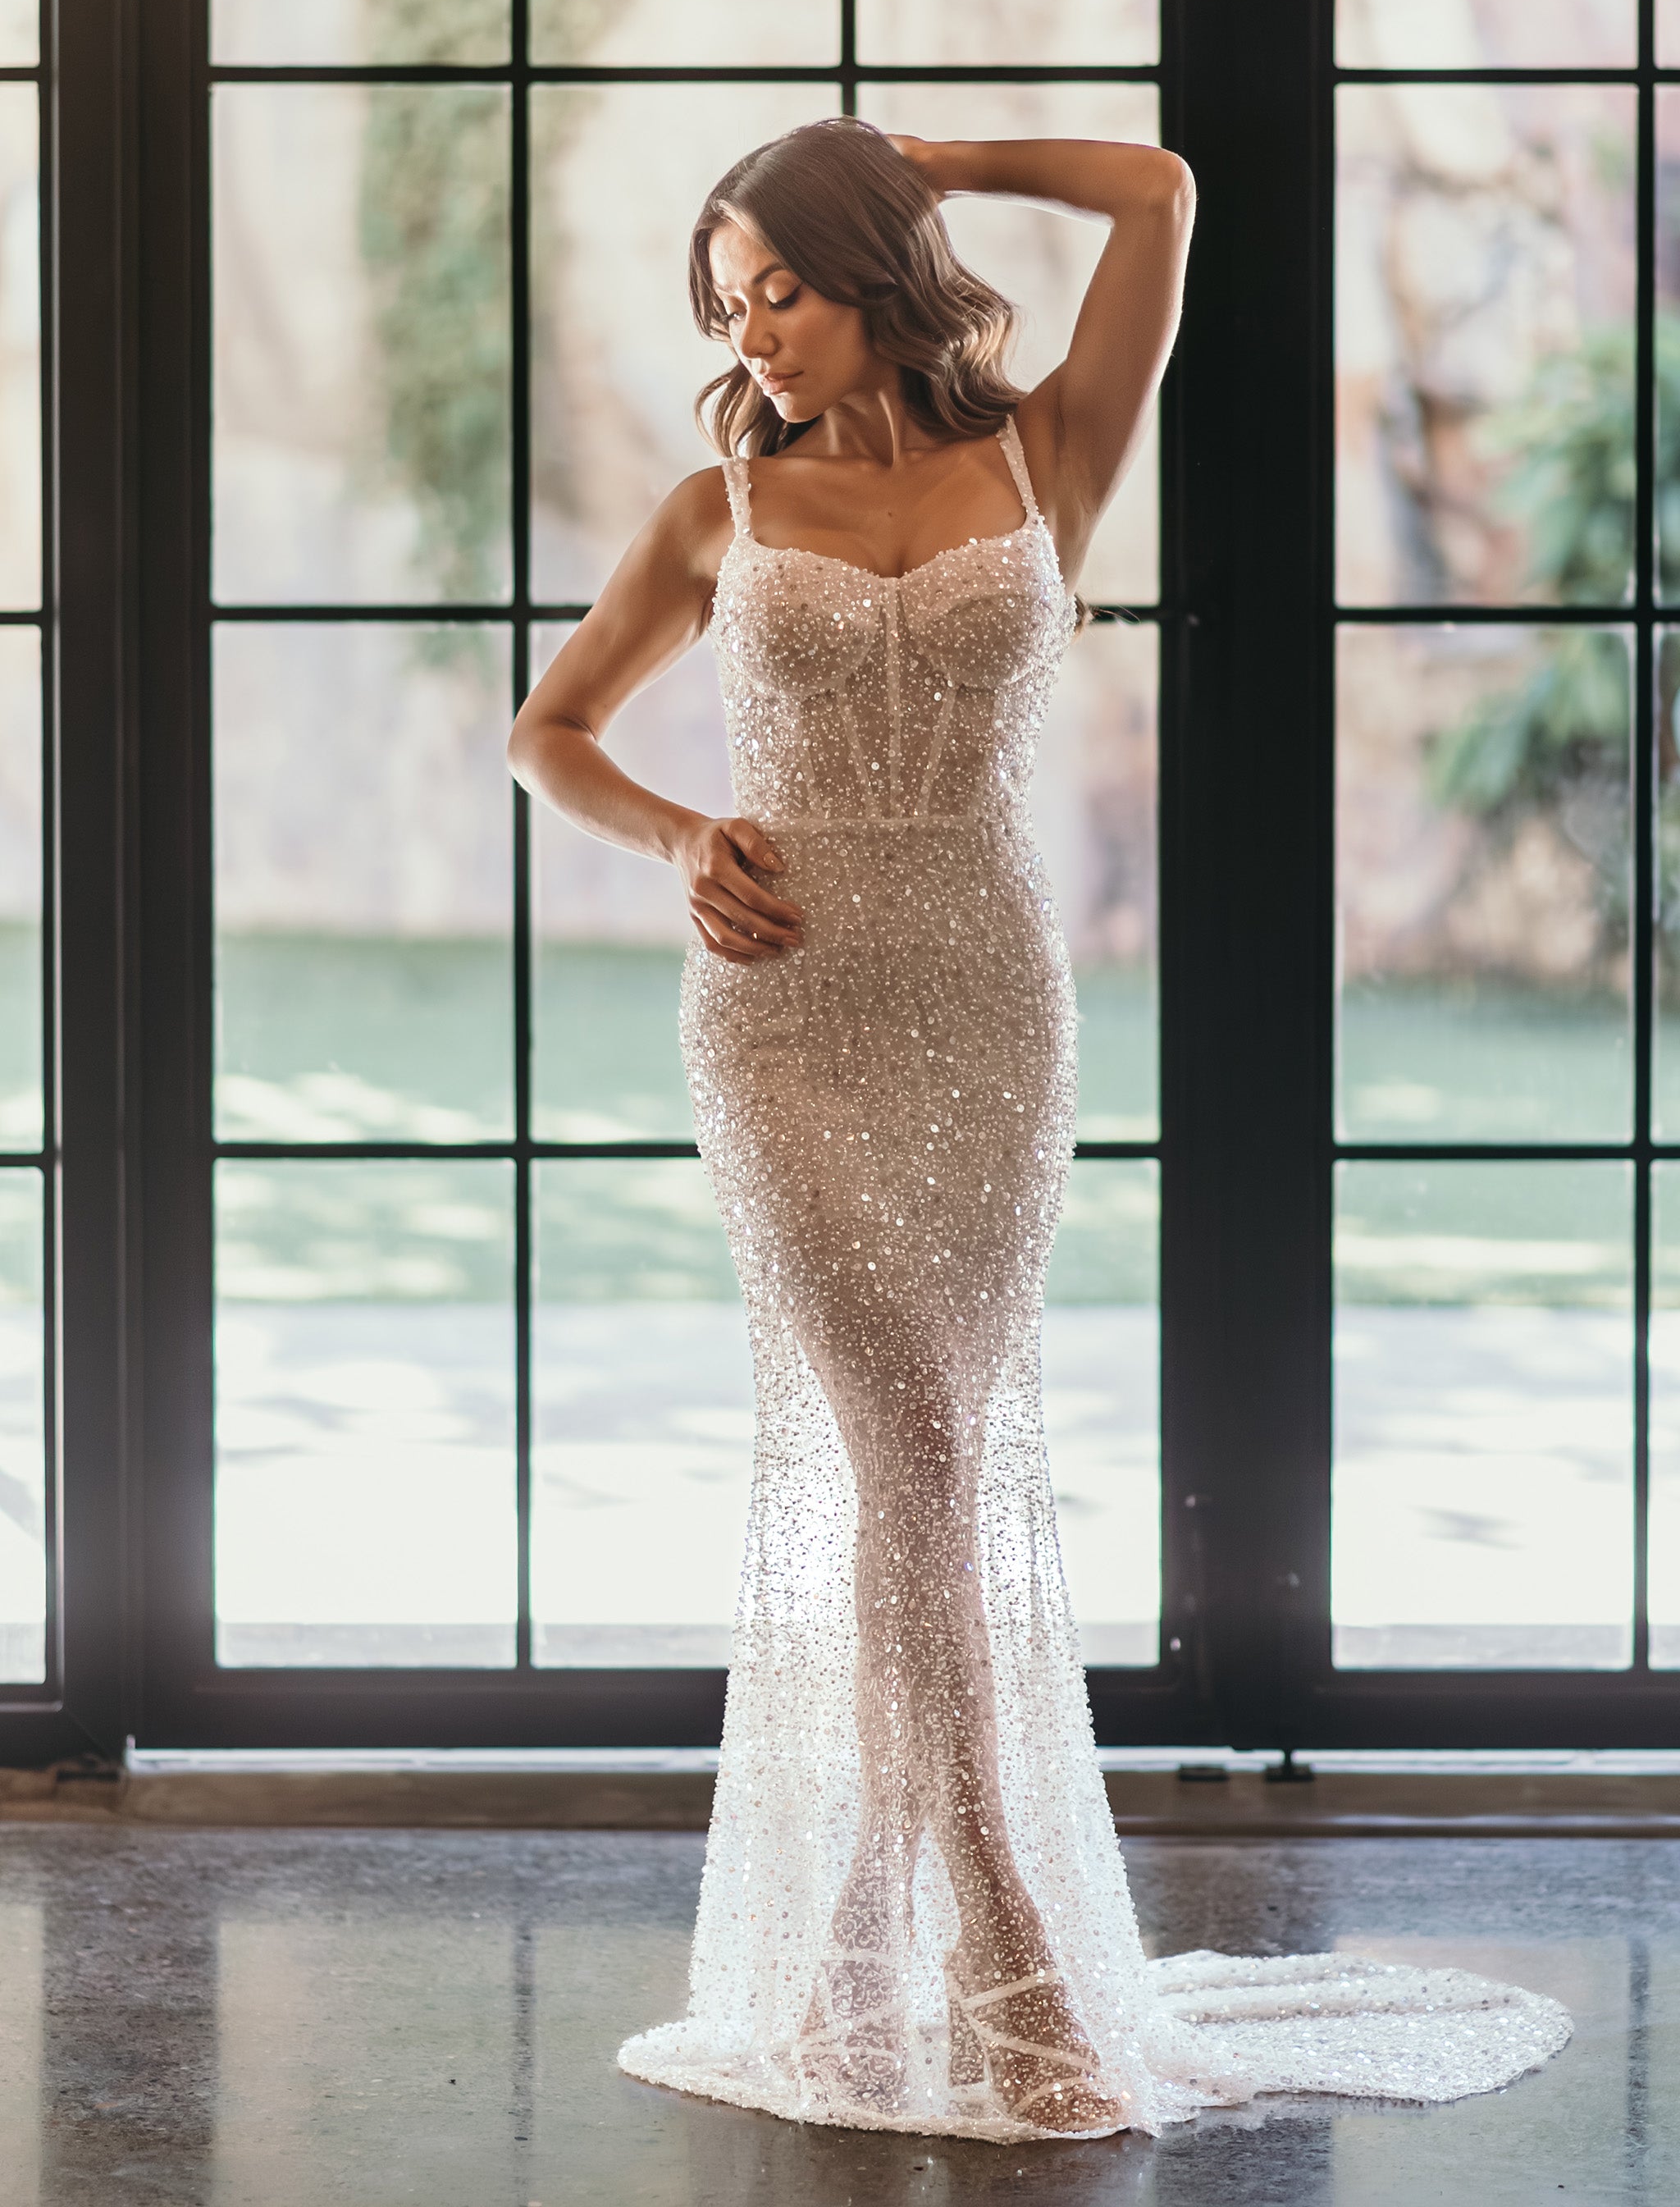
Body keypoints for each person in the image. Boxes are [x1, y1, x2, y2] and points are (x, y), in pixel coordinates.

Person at [507, 118, 1568, 2141]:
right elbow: (545, 731)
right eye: (727, 303)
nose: (756, 332)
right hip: (787, 1009)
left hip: (989, 1007)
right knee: (908, 1461)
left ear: (875, 268)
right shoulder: (713, 504)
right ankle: (1005, 1960)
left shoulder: (1042, 455)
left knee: (933, 1458)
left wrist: (934, 148)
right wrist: (678, 836)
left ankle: (849, 1947)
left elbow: (1166, 190)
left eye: (785, 286)